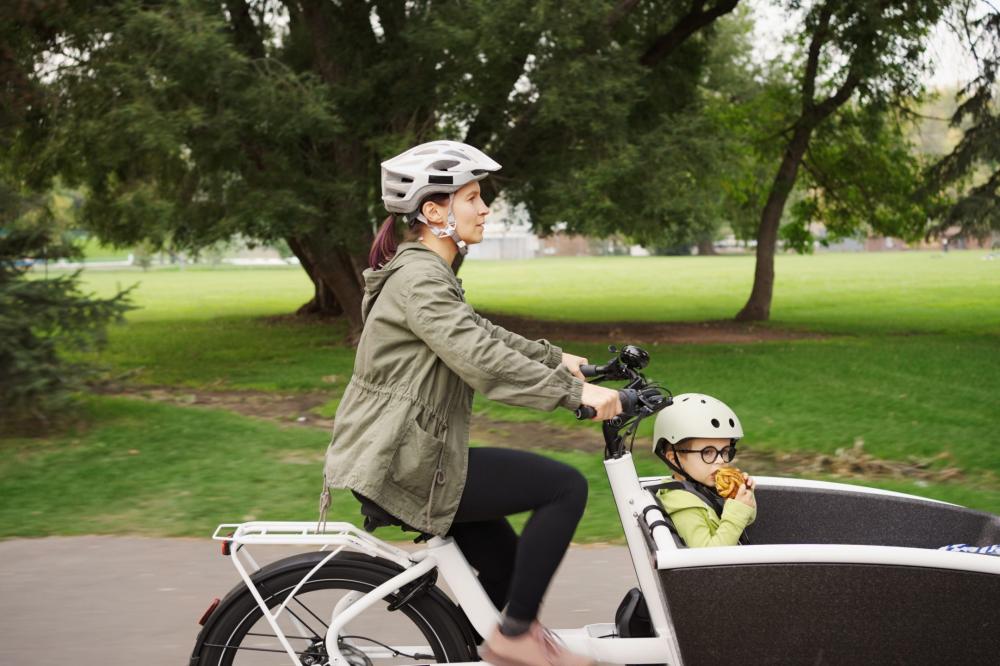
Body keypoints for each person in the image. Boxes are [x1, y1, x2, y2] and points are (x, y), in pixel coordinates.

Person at [320, 140, 622, 666]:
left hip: (415, 455)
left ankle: (472, 648)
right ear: (433, 212)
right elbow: (479, 357)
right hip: (406, 463)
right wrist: (573, 395)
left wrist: (560, 360)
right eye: (473, 198)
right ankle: (515, 639)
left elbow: (480, 332)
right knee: (563, 487)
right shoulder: (419, 278)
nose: (485, 209)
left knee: (506, 574)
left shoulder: (430, 274)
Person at [652, 393, 756, 547]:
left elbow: (747, 519)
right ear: (674, 459)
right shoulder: (683, 506)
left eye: (726, 451)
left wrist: (743, 498)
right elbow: (707, 559)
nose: (721, 460)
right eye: (707, 452)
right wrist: (737, 510)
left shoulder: (704, 487)